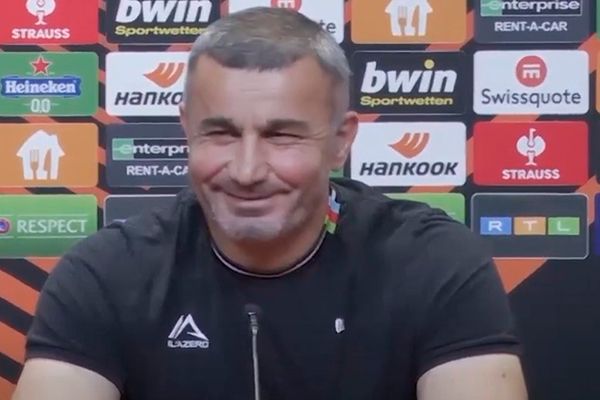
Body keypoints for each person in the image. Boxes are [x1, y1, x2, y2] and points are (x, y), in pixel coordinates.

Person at [12, 7, 528, 400]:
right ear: (187, 129)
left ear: (341, 140)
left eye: (282, 135)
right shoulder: (108, 272)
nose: (247, 170)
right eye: (220, 133)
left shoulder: (432, 262)